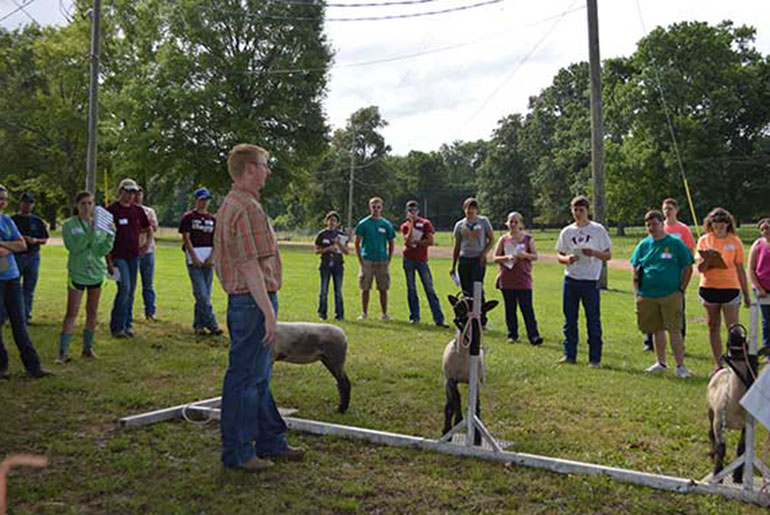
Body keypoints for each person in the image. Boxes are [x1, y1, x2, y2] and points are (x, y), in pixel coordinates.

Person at [213, 143, 304, 472]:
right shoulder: (246, 208)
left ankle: (270, 441)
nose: (268, 170)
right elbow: (250, 267)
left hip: (247, 302)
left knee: (257, 377)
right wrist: (268, 313)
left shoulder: (233, 204)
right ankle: (238, 453)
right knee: (246, 380)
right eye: (265, 165)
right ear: (250, 169)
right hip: (252, 302)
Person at [631, 210, 694, 378]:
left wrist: (682, 288)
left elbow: (688, 266)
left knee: (674, 329)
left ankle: (680, 366)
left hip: (670, 293)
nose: (652, 228)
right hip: (648, 294)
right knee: (656, 329)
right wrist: (637, 292)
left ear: (662, 224)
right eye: (648, 225)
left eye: (655, 224)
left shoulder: (675, 243)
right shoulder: (643, 245)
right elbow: (636, 268)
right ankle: (661, 362)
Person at [57, 191, 115, 363]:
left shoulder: (100, 225)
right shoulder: (69, 225)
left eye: (90, 203)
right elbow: (74, 247)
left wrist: (111, 235)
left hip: (96, 272)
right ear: (77, 205)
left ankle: (87, 349)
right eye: (83, 203)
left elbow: (101, 250)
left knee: (92, 311)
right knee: (71, 313)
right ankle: (63, 352)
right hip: (77, 273)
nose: (87, 207)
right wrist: (89, 233)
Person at [0, 184, 50, 379]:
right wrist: (10, 246)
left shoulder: (6, 221)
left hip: (11, 277)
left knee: (19, 322)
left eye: (4, 199)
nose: (2, 202)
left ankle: (33, 366)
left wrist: (3, 244)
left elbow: (21, 245)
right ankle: (2, 366)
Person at [556, 195, 612, 368]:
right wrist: (567, 259)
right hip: (571, 279)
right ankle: (569, 354)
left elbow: (608, 255)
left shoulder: (597, 230)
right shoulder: (567, 231)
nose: (578, 213)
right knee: (570, 319)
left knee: (593, 320)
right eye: (575, 210)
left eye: (581, 210)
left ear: (588, 211)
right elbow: (559, 255)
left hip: (590, 281)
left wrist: (593, 253)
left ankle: (595, 358)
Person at [696, 207, 751, 376]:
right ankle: (718, 364)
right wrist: (708, 259)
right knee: (713, 326)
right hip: (709, 287)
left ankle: (735, 363)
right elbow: (700, 268)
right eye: (715, 225)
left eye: (722, 225)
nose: (719, 228)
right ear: (710, 225)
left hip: (730, 288)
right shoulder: (704, 240)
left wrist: (746, 294)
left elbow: (740, 268)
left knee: (733, 328)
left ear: (728, 225)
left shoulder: (735, 241)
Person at [642, 198, 695, 352]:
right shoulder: (657, 226)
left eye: (670, 208)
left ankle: (679, 342)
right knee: (653, 313)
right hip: (656, 280)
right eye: (665, 208)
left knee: (677, 312)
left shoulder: (683, 229)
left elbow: (689, 252)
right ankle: (650, 342)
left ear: (676, 210)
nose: (667, 211)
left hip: (675, 276)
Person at [107, 178, 150, 338]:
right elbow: (105, 236)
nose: (131, 195)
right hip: (118, 256)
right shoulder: (111, 210)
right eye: (128, 192)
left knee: (131, 291)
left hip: (134, 256)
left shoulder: (138, 211)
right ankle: (117, 326)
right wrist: (108, 260)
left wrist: (146, 245)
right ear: (121, 191)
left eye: (134, 192)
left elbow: (148, 229)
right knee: (124, 288)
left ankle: (127, 325)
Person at [492, 211, 542, 345]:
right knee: (510, 309)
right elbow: (495, 258)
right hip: (507, 279)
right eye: (510, 221)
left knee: (527, 309)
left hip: (523, 279)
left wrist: (525, 255)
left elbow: (535, 256)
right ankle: (512, 335)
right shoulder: (503, 239)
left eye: (516, 221)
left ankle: (534, 336)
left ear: (521, 224)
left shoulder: (528, 239)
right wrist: (506, 258)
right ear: (507, 223)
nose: (513, 224)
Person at [179, 187, 222, 335]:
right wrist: (193, 257)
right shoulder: (188, 217)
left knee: (205, 294)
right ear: (196, 200)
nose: (204, 203)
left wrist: (212, 257)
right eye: (202, 199)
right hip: (194, 258)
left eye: (206, 200)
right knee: (201, 294)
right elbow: (186, 237)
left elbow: (217, 239)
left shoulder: (213, 219)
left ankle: (198, 325)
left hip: (208, 258)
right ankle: (212, 324)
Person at [399, 200, 447, 327]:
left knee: (429, 289)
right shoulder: (404, 226)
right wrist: (412, 225)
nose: (412, 212)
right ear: (407, 212)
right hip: (408, 259)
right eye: (410, 210)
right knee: (411, 289)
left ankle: (439, 319)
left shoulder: (425, 223)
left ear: (418, 211)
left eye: (414, 210)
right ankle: (414, 317)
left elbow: (430, 241)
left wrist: (418, 242)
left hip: (421, 260)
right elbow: (408, 242)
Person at [450, 198, 494, 327]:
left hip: (478, 260)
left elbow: (491, 240)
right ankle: (467, 317)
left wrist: (484, 253)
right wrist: (453, 265)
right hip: (464, 259)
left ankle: (481, 318)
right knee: (466, 290)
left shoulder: (483, 221)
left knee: (477, 288)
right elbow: (457, 246)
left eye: (473, 208)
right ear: (464, 209)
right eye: (468, 207)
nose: (470, 210)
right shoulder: (460, 225)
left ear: (477, 210)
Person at [354, 197, 396, 321]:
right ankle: (364, 313)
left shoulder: (386, 224)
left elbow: (391, 242)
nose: (376, 209)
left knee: (383, 288)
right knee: (365, 287)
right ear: (370, 207)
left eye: (378, 207)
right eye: (373, 207)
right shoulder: (363, 224)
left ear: (381, 208)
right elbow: (357, 243)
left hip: (382, 259)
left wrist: (389, 258)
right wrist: (360, 259)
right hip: (367, 259)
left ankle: (384, 313)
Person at [11, 192, 49, 323]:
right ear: (20, 203)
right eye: (25, 202)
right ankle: (7, 315)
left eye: (30, 202)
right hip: (16, 257)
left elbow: (45, 239)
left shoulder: (37, 221)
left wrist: (34, 240)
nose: (27, 205)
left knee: (29, 288)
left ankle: (25, 315)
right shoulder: (12, 220)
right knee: (11, 287)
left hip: (33, 257)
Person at [314, 211, 348, 321]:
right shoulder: (322, 234)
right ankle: (322, 314)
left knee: (338, 291)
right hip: (325, 265)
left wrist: (339, 244)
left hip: (338, 266)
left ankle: (340, 314)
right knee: (323, 290)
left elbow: (346, 251)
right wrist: (327, 249)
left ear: (338, 223)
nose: (331, 222)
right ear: (326, 221)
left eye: (334, 220)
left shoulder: (341, 236)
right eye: (330, 220)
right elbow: (316, 250)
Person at [135, 187, 159, 322]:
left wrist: (140, 228)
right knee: (129, 285)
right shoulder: (129, 211)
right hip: (132, 251)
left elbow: (154, 228)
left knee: (148, 284)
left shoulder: (149, 211)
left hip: (148, 251)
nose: (138, 196)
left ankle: (150, 312)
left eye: (140, 193)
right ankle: (127, 312)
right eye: (135, 193)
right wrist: (144, 228)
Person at [748, 217, 770, 357]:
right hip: (762, 289)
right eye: (763, 229)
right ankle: (768, 351)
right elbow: (751, 269)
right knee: (767, 320)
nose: (765, 231)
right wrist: (759, 288)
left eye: (768, 228)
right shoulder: (757, 245)